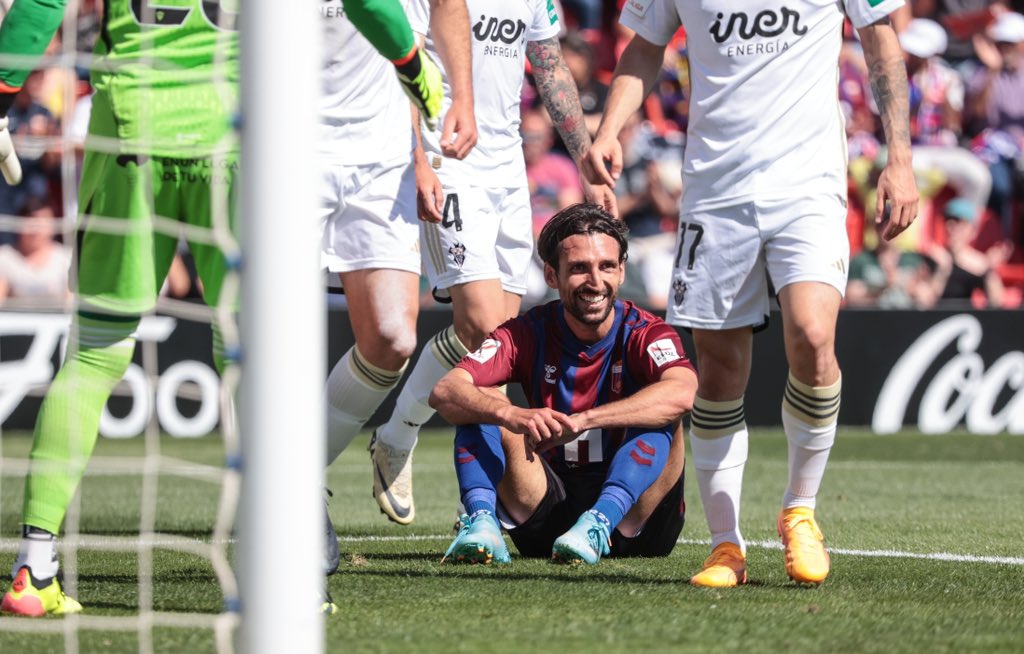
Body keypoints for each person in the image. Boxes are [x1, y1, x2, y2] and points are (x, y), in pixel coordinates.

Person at [583, 0, 919, 586]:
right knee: (717, 370)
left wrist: (901, 159)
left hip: (808, 184)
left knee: (814, 336)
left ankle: (799, 510)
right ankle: (725, 546)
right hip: (716, 190)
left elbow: (882, 42)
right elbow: (644, 45)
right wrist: (610, 128)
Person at [1, 0, 240, 617]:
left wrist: (1, 87)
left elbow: (41, 4)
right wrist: (417, 75)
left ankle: (34, 566)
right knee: (252, 354)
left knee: (94, 352)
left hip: (130, 131)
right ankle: (287, 572)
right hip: (237, 136)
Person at [365, 0, 615, 526]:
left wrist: (584, 158)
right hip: (445, 159)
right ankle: (402, 435)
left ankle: (472, 499)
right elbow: (399, 61)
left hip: (507, 170)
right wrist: (413, 157)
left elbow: (549, 68)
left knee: (492, 348)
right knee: (484, 326)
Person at [429, 204, 697, 565]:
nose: (595, 281)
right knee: (480, 400)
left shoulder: (647, 332)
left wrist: (583, 421)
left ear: (621, 272)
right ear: (552, 275)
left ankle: (598, 522)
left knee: (661, 408)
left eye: (606, 267)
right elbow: (445, 391)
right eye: (579, 269)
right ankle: (480, 523)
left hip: (638, 521)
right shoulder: (526, 332)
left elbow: (683, 393)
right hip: (548, 511)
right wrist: (511, 415)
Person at [318, 0, 474, 534]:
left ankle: (301, 474)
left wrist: (457, 103)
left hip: (381, 158)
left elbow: (445, 7)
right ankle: (290, 500)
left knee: (391, 338)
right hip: (285, 145)